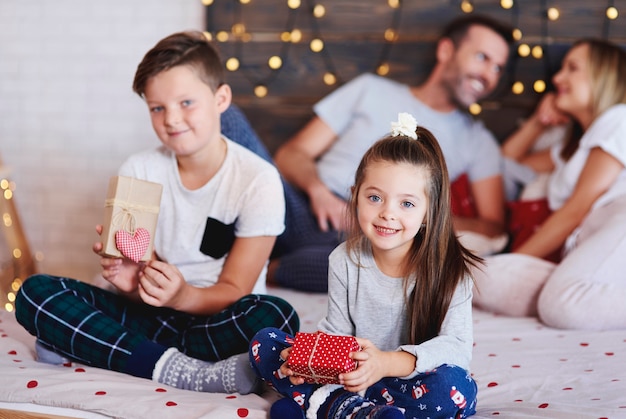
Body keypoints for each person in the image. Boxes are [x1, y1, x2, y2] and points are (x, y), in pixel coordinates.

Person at [14, 31, 299, 394]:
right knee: (36, 293)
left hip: (216, 316)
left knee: (276, 316)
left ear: (220, 98)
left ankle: (103, 347)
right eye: (157, 108)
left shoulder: (258, 179)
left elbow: (236, 288)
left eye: (186, 103)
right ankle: (178, 369)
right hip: (148, 315)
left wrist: (182, 296)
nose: (172, 119)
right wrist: (132, 284)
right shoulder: (140, 169)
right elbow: (136, 279)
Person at [249, 114, 481, 419]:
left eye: (407, 204)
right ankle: (349, 408)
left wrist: (385, 363)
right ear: (355, 195)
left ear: (429, 212)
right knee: (266, 343)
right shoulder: (343, 260)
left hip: (408, 381)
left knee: (456, 386)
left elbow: (456, 349)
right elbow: (337, 333)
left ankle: (325, 406)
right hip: (351, 377)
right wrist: (307, 362)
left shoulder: (450, 271)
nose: (387, 213)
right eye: (375, 197)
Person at [269, 14, 514, 293]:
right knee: (234, 128)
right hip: (302, 204)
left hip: (365, 235)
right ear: (446, 50)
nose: (489, 75)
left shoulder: (479, 141)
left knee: (359, 270)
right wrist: (317, 191)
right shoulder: (370, 89)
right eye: (482, 57)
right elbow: (291, 153)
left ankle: (260, 267)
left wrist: (409, 218)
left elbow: (493, 228)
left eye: (498, 68)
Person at [472, 38, 626, 330]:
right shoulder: (574, 149)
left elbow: (576, 209)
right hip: (587, 246)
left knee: (561, 306)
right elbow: (506, 162)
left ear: (602, 76)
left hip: (619, 223)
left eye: (572, 68)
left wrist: (515, 260)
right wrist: (538, 123)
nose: (557, 78)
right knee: (484, 277)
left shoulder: (619, 119)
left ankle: (568, 295)